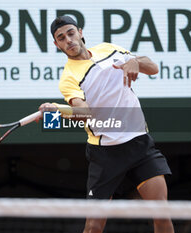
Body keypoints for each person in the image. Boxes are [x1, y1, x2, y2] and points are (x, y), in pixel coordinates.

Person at [37, 15, 174, 233]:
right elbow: (85, 114)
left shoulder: (108, 49)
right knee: (93, 227)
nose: (68, 40)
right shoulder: (69, 77)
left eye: (71, 33)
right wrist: (58, 111)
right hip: (106, 155)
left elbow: (153, 67)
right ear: (57, 45)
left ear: (80, 32)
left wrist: (134, 61)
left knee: (162, 215)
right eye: (61, 38)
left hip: (140, 145)